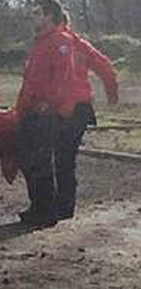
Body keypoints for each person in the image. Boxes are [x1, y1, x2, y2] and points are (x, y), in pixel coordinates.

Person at [15, 0, 77, 227]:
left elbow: (61, 77)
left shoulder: (60, 41)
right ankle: (38, 204)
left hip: (45, 111)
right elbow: (30, 78)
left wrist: (48, 102)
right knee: (27, 158)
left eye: (37, 13)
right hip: (30, 108)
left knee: (41, 159)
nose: (33, 18)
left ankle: (46, 210)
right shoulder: (39, 43)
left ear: (49, 16)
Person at [54, 13, 117, 220]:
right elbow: (105, 67)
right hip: (76, 106)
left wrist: (112, 94)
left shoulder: (64, 44)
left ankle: (63, 205)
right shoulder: (79, 44)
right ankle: (63, 203)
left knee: (62, 155)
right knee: (63, 155)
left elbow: (105, 67)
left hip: (71, 106)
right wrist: (111, 93)